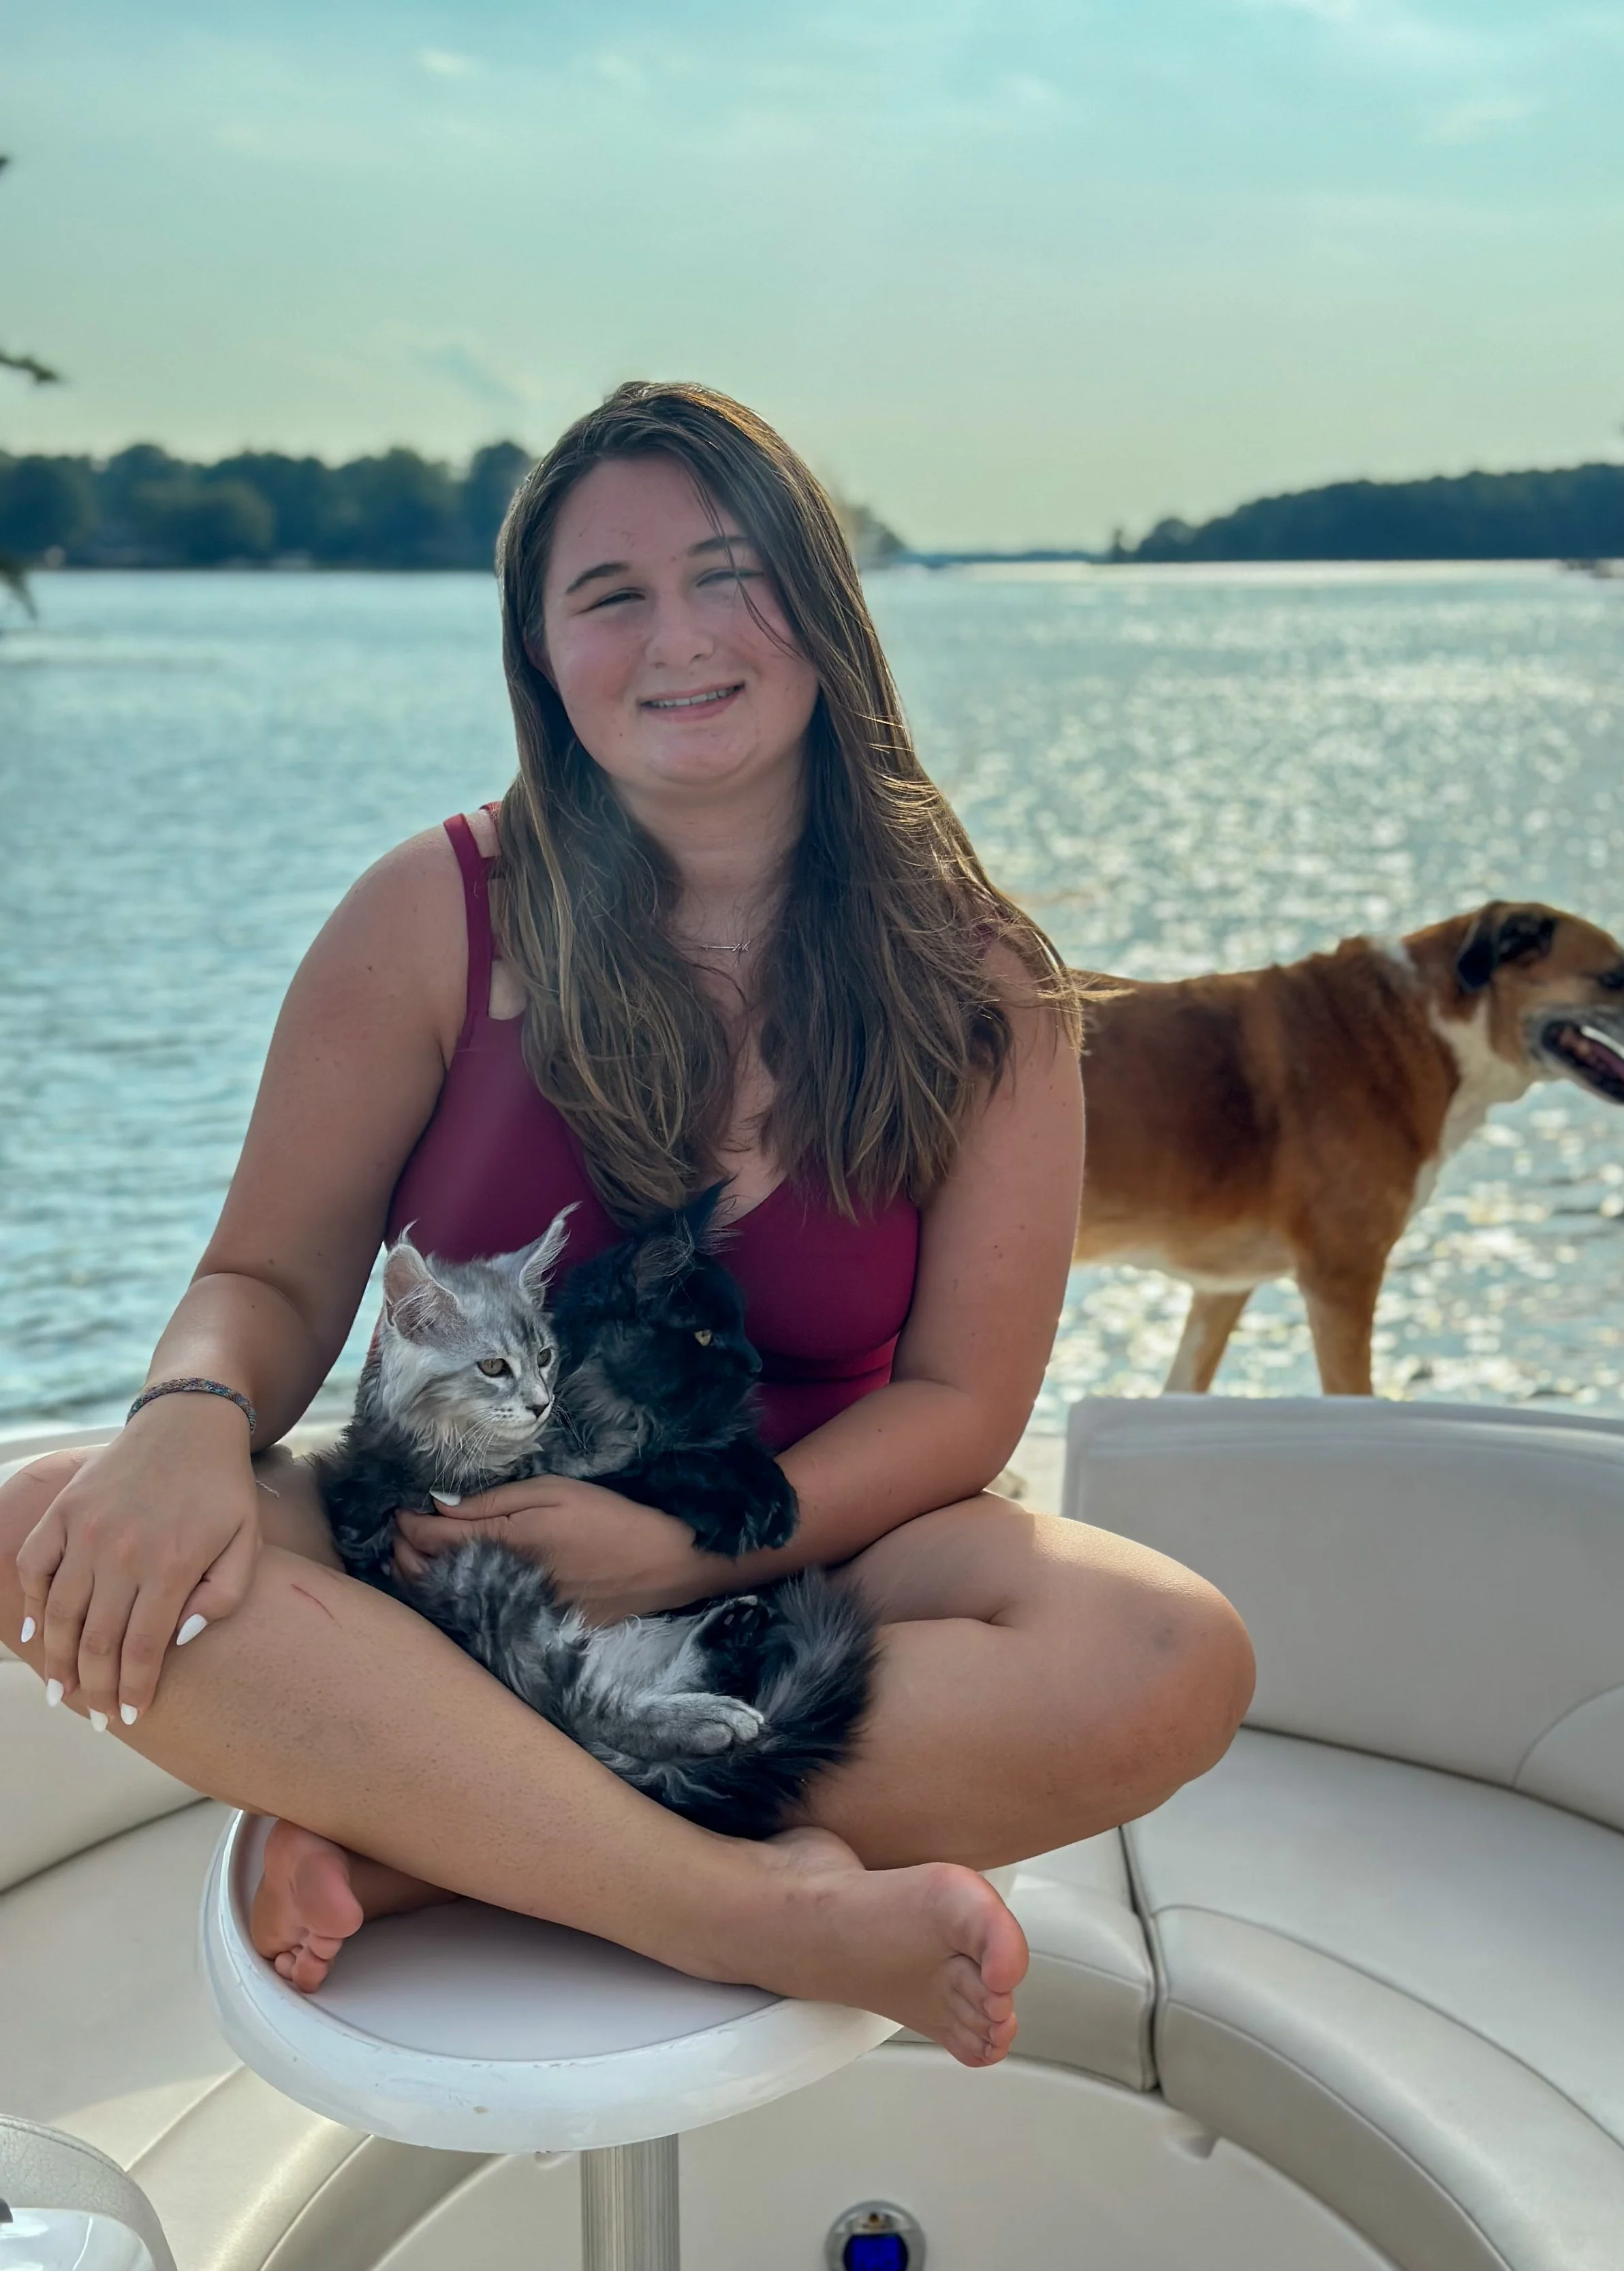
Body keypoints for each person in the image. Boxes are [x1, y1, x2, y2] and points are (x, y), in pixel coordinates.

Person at [0, 383, 1252, 2068]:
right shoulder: (430, 913)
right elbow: (266, 1277)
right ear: (540, 654)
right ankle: (738, 1898)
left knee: (1169, 1656)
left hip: (805, 1552)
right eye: (611, 595)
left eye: (731, 574)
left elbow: (961, 1406)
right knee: (45, 1524)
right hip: (434, 1556)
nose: (680, 637)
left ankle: (429, 1832)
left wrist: (689, 1549)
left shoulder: (981, 981)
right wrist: (186, 1420)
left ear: (821, 610)